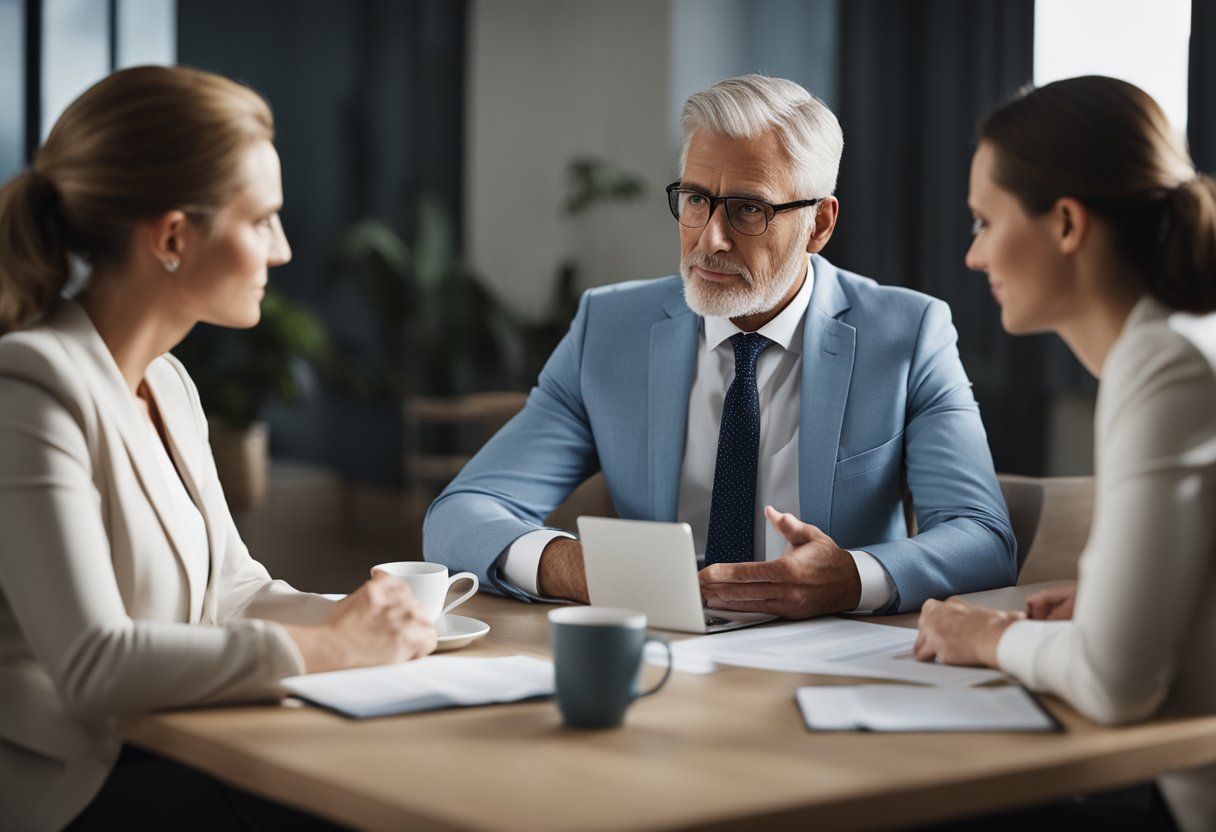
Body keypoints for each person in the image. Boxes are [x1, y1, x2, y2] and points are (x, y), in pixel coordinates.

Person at [0, 65, 437, 831]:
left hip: (171, 741)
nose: (284, 250)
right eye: (262, 220)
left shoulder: (167, 383)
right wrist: (330, 650)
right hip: (76, 781)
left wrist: (373, 618)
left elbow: (231, 591)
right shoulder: (30, 387)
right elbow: (93, 666)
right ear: (172, 237)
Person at [425, 74, 1015, 617]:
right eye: (696, 199)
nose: (710, 238)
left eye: (748, 209)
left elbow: (982, 536)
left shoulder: (907, 334)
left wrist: (853, 578)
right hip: (664, 656)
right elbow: (460, 515)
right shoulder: (609, 330)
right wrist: (579, 569)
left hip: (833, 665)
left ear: (820, 224)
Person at [914, 75, 1216, 831]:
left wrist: (990, 635)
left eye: (985, 221)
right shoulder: (1182, 343)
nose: (974, 256)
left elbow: (1116, 685)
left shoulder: (1163, 366)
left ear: (1068, 224)